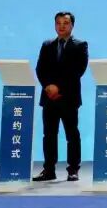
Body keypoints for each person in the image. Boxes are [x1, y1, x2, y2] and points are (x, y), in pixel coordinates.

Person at [33, 11, 89, 182]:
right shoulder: (47, 45)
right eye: (58, 23)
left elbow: (78, 70)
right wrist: (48, 86)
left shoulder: (80, 45)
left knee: (72, 135)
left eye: (65, 23)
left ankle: (73, 170)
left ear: (72, 25)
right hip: (49, 97)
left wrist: (59, 87)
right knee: (49, 135)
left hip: (69, 97)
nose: (61, 26)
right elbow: (40, 69)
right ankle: (49, 170)